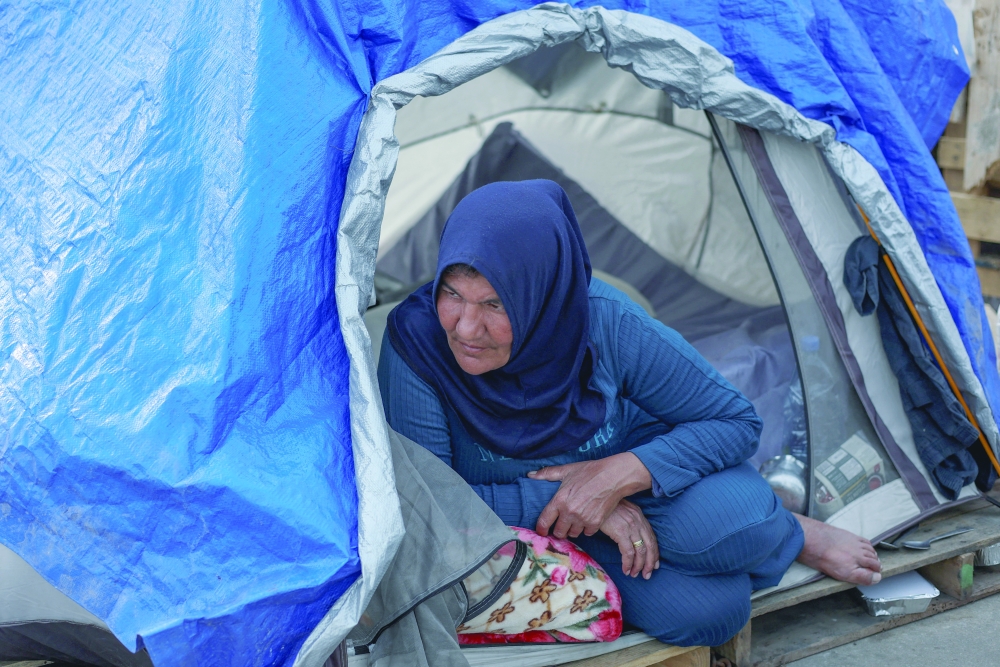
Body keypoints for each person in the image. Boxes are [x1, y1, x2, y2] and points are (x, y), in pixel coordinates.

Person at [378, 179, 881, 646]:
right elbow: (430, 509)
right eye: (452, 293)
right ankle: (742, 541)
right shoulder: (417, 347)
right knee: (712, 612)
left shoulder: (601, 320)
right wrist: (580, 502)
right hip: (501, 523)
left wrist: (621, 474)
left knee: (743, 524)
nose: (465, 328)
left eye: (494, 305)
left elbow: (735, 422)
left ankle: (794, 533)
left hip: (632, 482)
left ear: (542, 294)